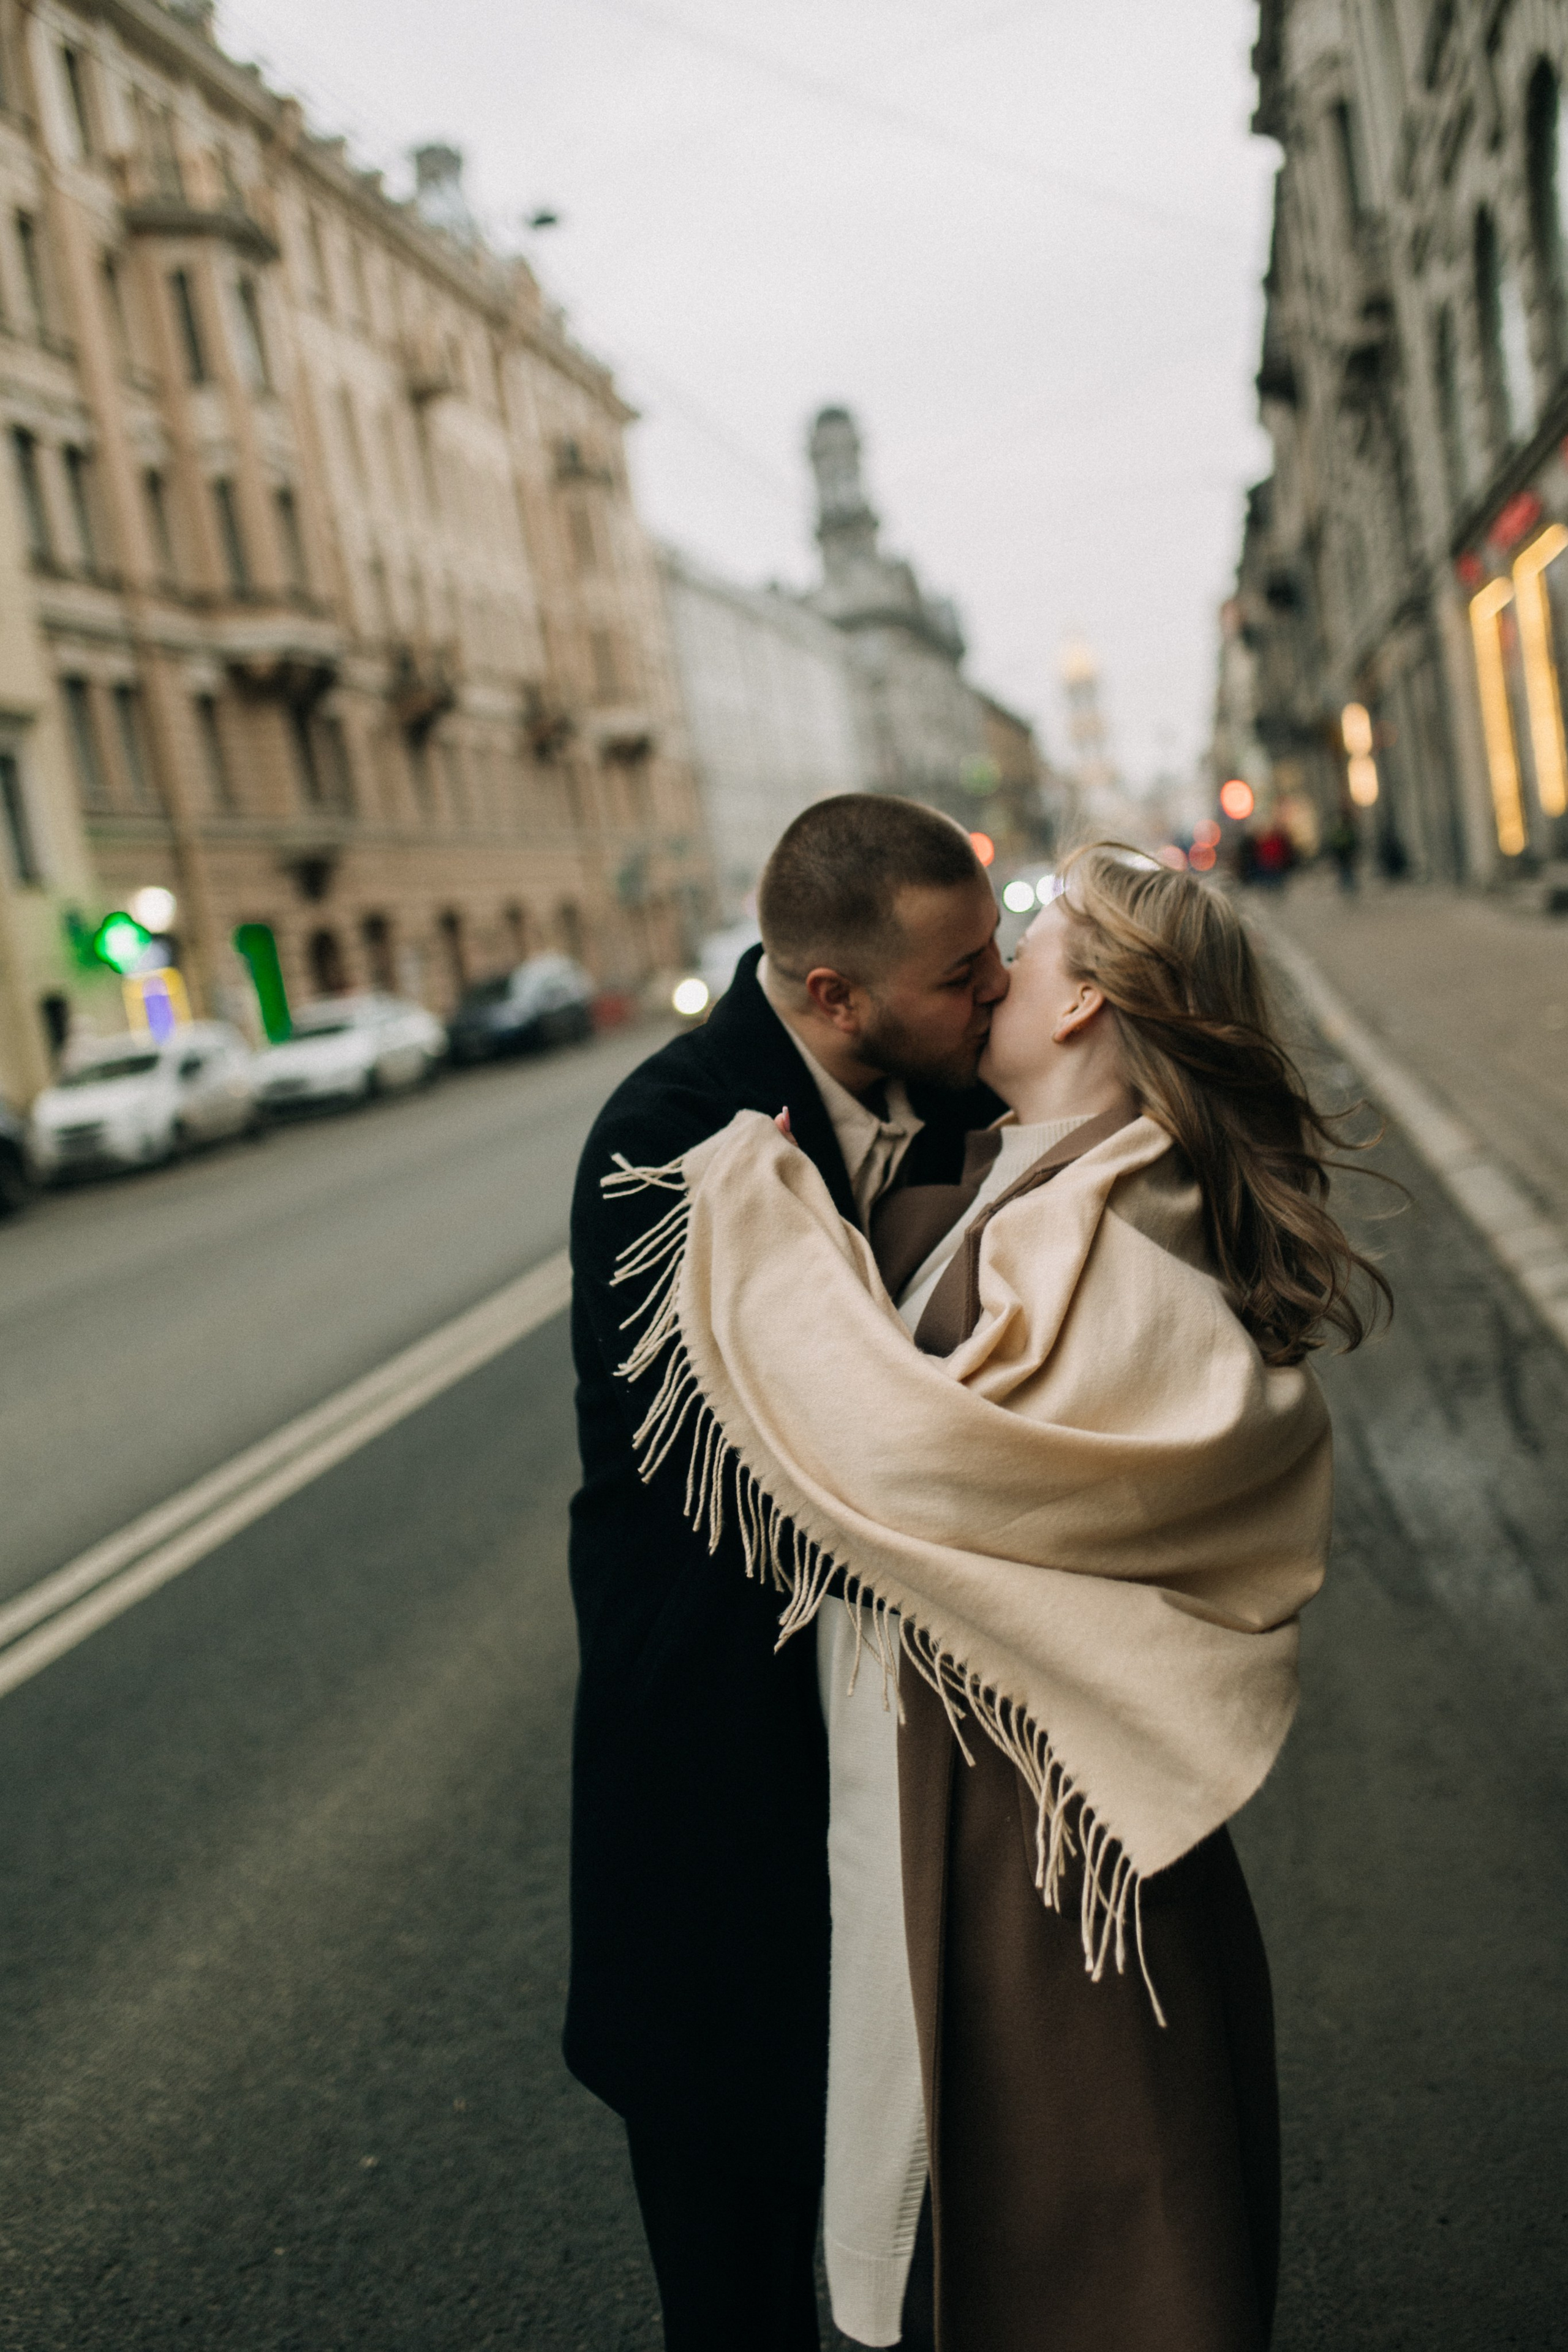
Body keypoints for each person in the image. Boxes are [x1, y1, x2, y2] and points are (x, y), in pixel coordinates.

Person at [600, 843, 1391, 2351]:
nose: (994, 982)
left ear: (1087, 1002)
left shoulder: (1115, 1211)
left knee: (1095, 2213)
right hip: (992, 1787)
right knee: (1029, 2200)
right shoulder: (1028, 1169)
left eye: (1020, 956)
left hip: (1047, 1822)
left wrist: (763, 1221)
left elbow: (931, 1460)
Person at [565, 794, 1006, 2351]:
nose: (995, 988)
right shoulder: (664, 1137)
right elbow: (774, 1481)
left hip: (912, 1765)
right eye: (960, 973)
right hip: (720, 1762)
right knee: (736, 2233)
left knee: (944, 2219)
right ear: (835, 995)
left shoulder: (968, 1093)